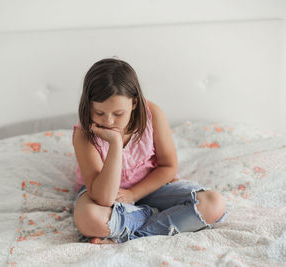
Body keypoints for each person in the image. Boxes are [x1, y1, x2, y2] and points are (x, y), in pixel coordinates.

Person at [72, 57, 227, 244]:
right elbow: (104, 198)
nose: (108, 121)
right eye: (99, 113)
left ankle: (130, 232)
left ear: (134, 103)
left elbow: (168, 166)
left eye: (118, 114)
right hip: (104, 198)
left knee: (213, 203)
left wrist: (134, 195)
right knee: (89, 218)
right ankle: (158, 217)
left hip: (149, 187)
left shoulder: (152, 114)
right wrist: (114, 144)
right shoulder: (84, 134)